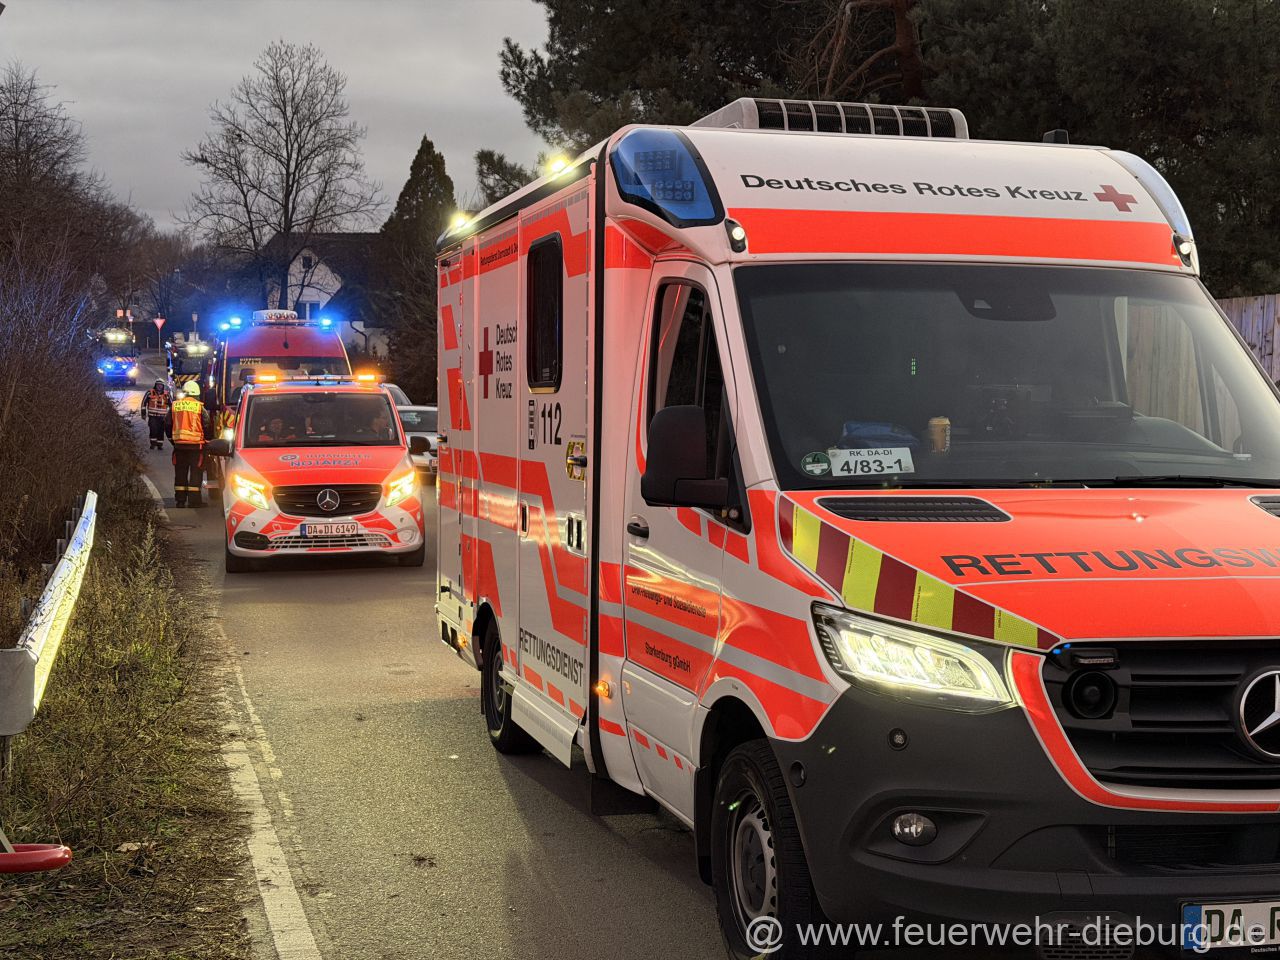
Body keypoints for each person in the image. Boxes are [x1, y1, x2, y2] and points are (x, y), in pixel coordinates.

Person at [166, 380, 211, 507]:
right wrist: (207, 441)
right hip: (196, 447)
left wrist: (172, 440)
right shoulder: (200, 407)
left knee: (180, 472)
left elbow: (167, 424)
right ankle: (194, 501)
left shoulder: (175, 406)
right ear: (197, 394)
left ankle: (180, 501)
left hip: (179, 446)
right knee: (196, 473)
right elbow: (206, 424)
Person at [140, 380, 170, 450]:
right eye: (158, 385)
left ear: (163, 386)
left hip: (162, 417)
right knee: (153, 429)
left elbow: (171, 405)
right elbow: (143, 403)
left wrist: (170, 416)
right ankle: (153, 444)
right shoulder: (149, 392)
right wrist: (143, 414)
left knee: (161, 431)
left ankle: (160, 445)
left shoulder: (167, 394)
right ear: (155, 385)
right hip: (152, 416)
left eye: (161, 385)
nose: (159, 386)